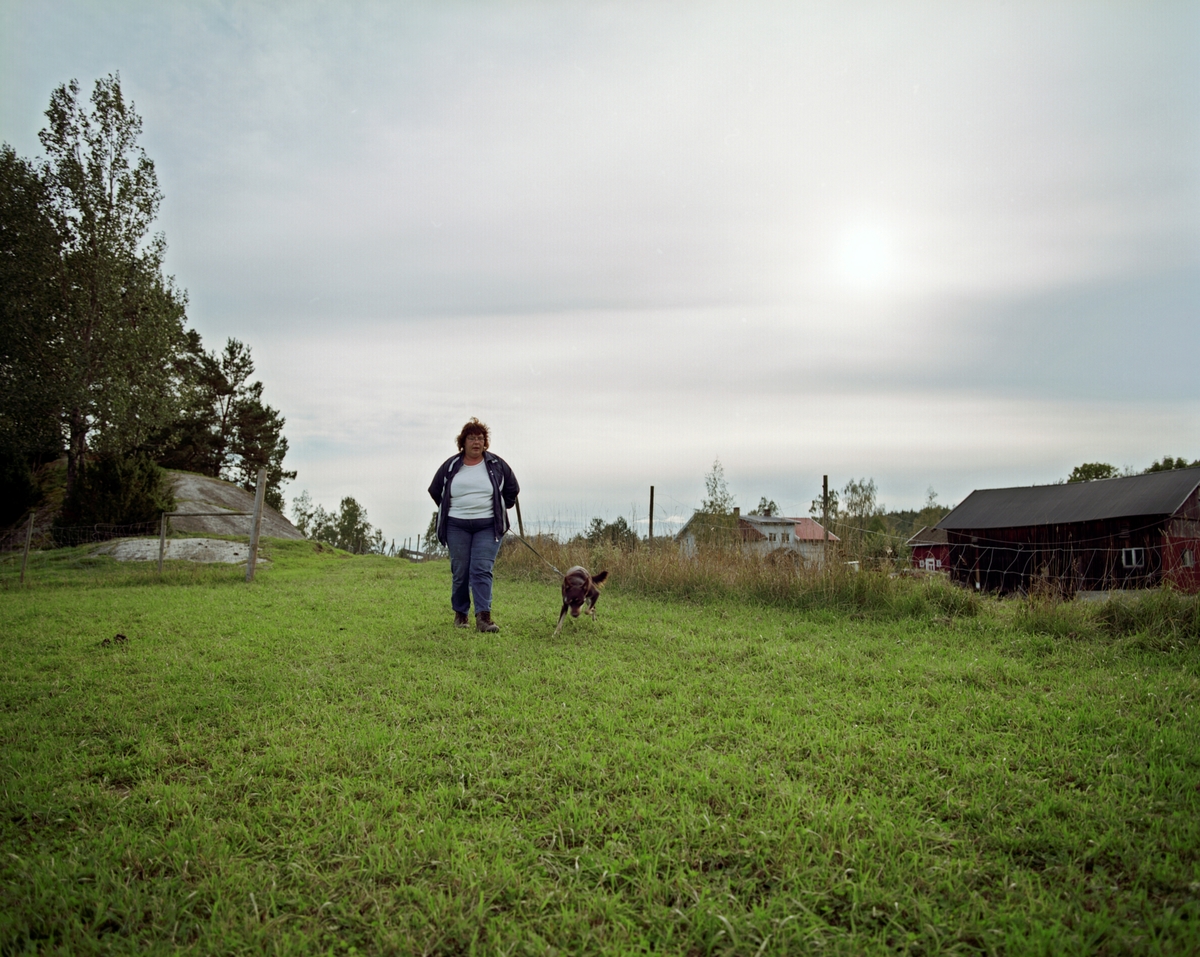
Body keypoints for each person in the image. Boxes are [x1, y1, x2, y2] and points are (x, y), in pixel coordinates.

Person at [427, 418, 520, 632]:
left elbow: (512, 490)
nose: (476, 442)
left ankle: (483, 618)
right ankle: (461, 614)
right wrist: (452, 508)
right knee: (461, 571)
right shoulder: (451, 466)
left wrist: (499, 507)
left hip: (488, 526)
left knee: (481, 569)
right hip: (456, 526)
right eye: (471, 438)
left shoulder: (497, 465)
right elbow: (435, 491)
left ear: (485, 442)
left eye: (480, 438)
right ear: (463, 442)